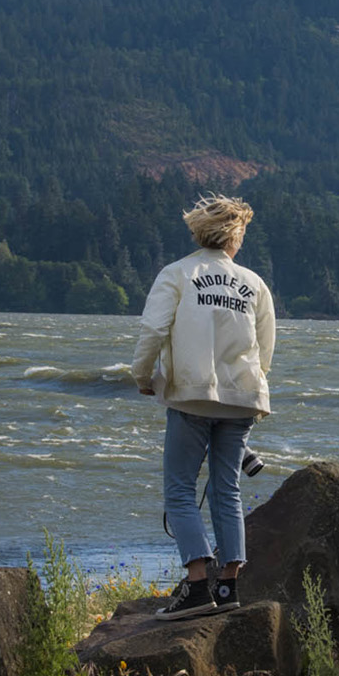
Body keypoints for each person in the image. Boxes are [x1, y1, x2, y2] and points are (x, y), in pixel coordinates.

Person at [132, 193, 276, 620]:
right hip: (242, 398)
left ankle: (197, 586)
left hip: (192, 396)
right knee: (226, 488)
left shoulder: (177, 273)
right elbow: (264, 350)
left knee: (179, 488)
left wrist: (143, 377)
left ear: (200, 232)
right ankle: (229, 585)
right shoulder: (254, 283)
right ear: (235, 236)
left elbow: (154, 330)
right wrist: (248, 388)